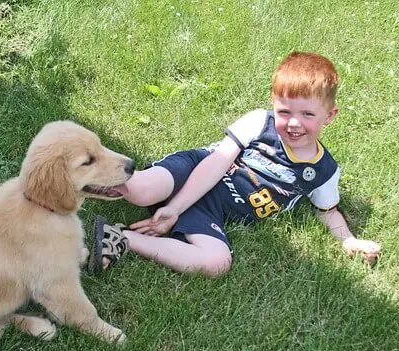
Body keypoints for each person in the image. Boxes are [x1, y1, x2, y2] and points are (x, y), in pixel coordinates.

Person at [89, 51, 381, 277]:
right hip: (196, 169)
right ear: (273, 104)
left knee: (217, 263)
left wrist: (349, 240)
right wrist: (173, 208)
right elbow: (217, 162)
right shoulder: (259, 122)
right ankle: (83, 165)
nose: (293, 123)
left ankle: (121, 238)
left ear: (329, 116)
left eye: (307, 114)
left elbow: (327, 212)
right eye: (284, 111)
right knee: (141, 191)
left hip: (213, 210)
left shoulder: (323, 172)